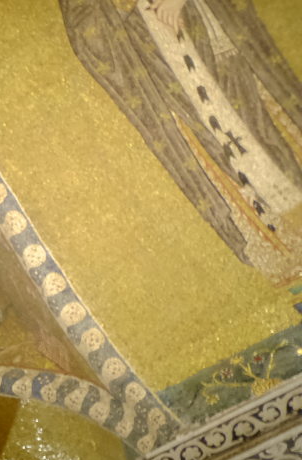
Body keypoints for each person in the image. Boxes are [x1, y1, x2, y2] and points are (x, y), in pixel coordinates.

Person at [60, 0, 302, 277]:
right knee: (216, 148)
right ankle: (282, 245)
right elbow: (84, 25)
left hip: (209, 28)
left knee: (260, 125)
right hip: (157, 55)